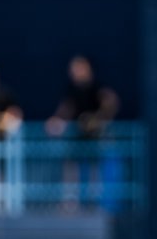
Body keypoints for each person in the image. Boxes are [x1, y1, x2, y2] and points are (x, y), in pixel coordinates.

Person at [44, 55, 122, 209]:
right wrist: (56, 120)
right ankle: (70, 203)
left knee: (94, 172)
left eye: (79, 68)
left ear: (88, 69)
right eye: (73, 69)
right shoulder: (71, 90)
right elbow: (65, 109)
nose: (76, 72)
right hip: (76, 139)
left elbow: (111, 103)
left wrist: (97, 119)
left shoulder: (97, 88)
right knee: (71, 168)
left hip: (94, 139)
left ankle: (94, 202)